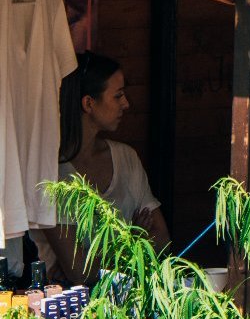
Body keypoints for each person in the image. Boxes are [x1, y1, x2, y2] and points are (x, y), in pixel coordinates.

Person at [36, 52, 171, 283]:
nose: (126, 104)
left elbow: (163, 242)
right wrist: (134, 236)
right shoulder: (52, 175)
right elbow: (81, 274)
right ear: (88, 103)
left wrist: (99, 259)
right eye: (118, 96)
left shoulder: (126, 158)